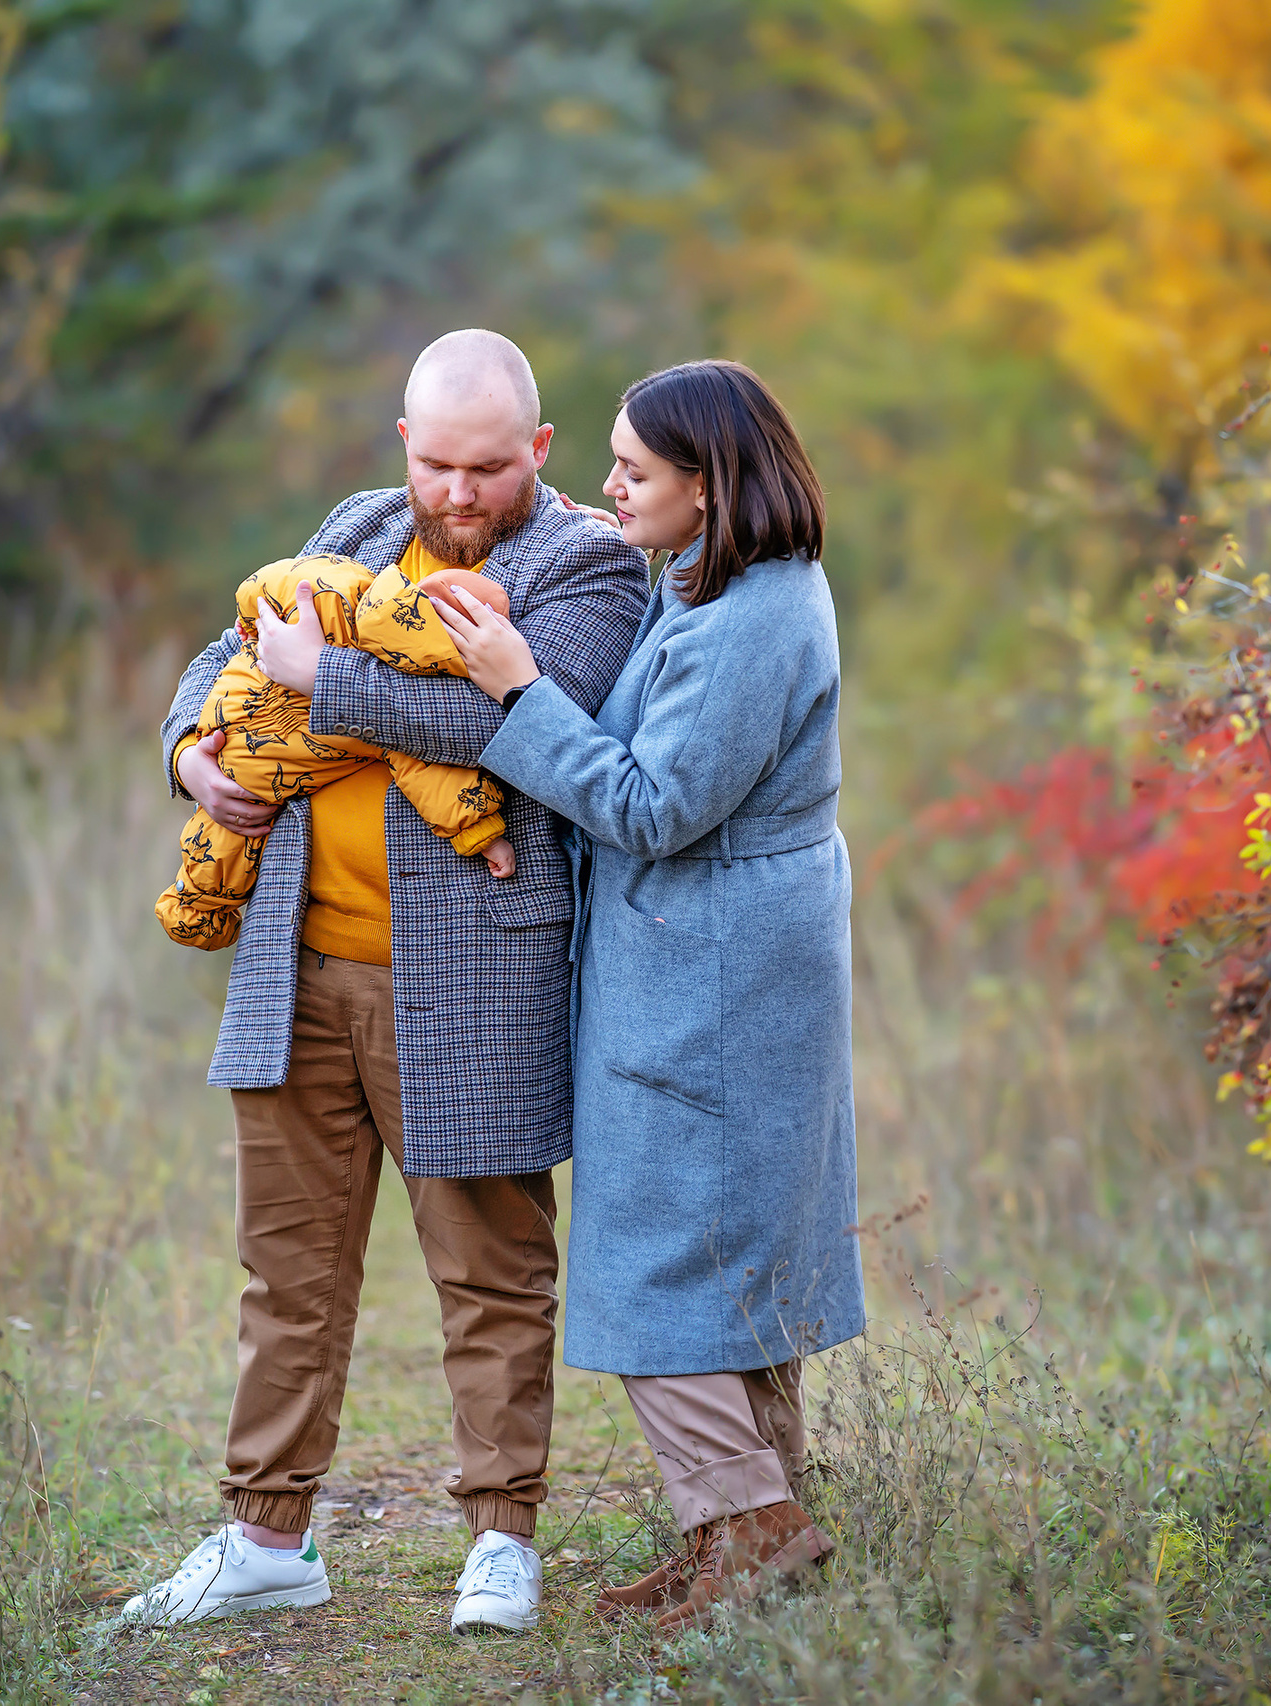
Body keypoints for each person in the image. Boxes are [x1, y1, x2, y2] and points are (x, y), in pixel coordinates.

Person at [124, 330, 649, 1634]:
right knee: (285, 1268)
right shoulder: (357, 524)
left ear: (537, 450)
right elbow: (223, 653)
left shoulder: (583, 565)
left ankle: (502, 1539)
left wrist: (325, 681)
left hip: (473, 984)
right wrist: (194, 750)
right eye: (440, 466)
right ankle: (265, 1537)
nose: (460, 495)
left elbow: (525, 728)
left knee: (491, 1268)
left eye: (489, 467)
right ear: (403, 445)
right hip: (296, 967)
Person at [437, 358, 865, 1633]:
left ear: (709, 483)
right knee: (730, 1251)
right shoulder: (712, 576)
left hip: (715, 970)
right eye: (610, 461)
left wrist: (516, 686)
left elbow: (651, 802)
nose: (610, 483)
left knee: (660, 1254)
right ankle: (733, 1529)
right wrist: (591, 521)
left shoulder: (754, 620)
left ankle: (759, 1528)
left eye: (636, 468)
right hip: (714, 950)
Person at [153, 554, 516, 953]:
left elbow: (516, 723)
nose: (460, 494)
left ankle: (194, 910)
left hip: (414, 954)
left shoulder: (342, 588)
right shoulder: (359, 523)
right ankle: (194, 911)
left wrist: (315, 669)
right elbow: (426, 766)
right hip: (245, 772)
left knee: (218, 848)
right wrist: (186, 754)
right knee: (223, 844)